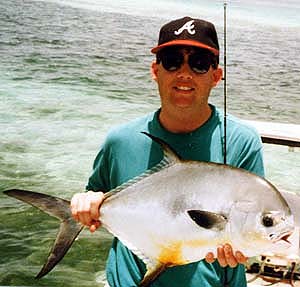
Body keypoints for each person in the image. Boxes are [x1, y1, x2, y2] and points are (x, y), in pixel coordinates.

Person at [71, 16, 265, 287]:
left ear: (216, 76)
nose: (184, 73)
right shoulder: (120, 140)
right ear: (155, 71)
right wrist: (85, 204)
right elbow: (95, 197)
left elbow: (252, 219)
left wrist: (243, 249)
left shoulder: (242, 141)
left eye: (199, 63)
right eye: (172, 60)